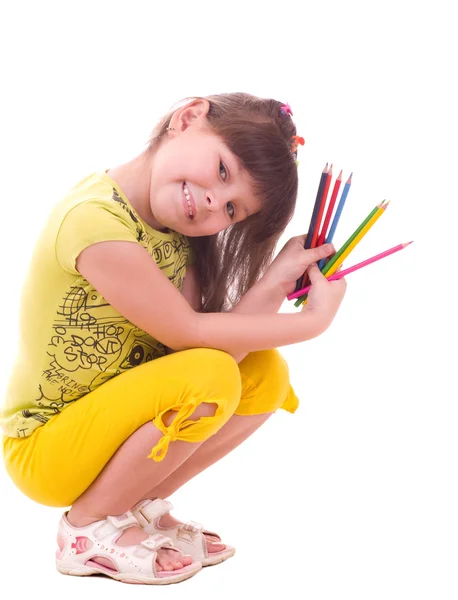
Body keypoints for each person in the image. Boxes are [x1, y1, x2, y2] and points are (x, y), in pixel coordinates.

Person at [0, 92, 346, 585]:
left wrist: (275, 279)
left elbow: (207, 348)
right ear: (187, 118)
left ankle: (132, 508)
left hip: (108, 436)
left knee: (264, 373)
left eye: (231, 210)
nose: (212, 203)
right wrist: (312, 324)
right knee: (210, 375)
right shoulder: (94, 220)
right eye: (223, 172)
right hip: (45, 450)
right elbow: (191, 337)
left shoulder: (176, 238)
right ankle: (86, 529)